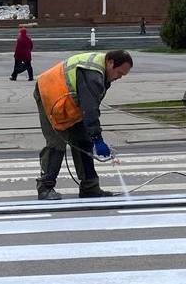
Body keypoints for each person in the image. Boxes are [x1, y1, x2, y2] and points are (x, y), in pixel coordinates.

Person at [34, 50, 133, 200]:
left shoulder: (103, 72)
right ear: (111, 62)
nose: (119, 77)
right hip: (49, 94)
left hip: (69, 100)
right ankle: (45, 188)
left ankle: (90, 187)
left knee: (83, 140)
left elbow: (90, 108)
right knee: (56, 144)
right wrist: (97, 139)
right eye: (120, 73)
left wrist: (93, 137)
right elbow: (90, 110)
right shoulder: (92, 75)